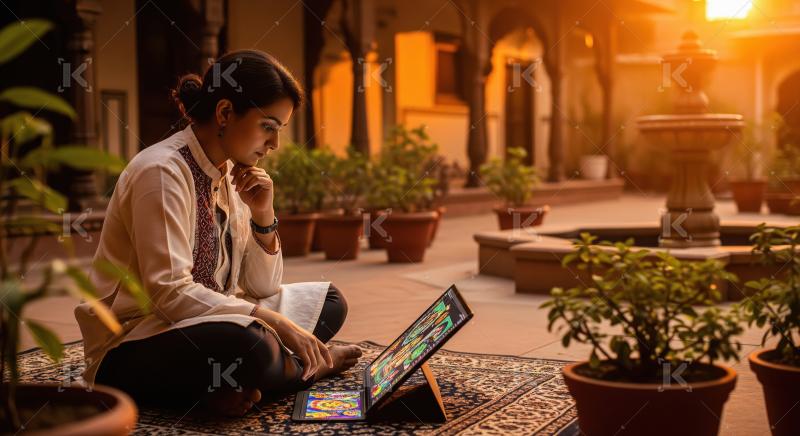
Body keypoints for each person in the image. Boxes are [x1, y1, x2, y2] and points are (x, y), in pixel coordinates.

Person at [74, 49, 361, 416]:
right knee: (252, 344)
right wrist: (272, 321)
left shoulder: (230, 172)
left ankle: (227, 386)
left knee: (331, 301)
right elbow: (170, 294)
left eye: (279, 131)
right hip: (135, 341)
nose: (274, 145)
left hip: (210, 323)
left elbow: (262, 288)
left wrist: (263, 215)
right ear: (225, 112)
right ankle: (307, 369)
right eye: (268, 126)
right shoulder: (162, 172)